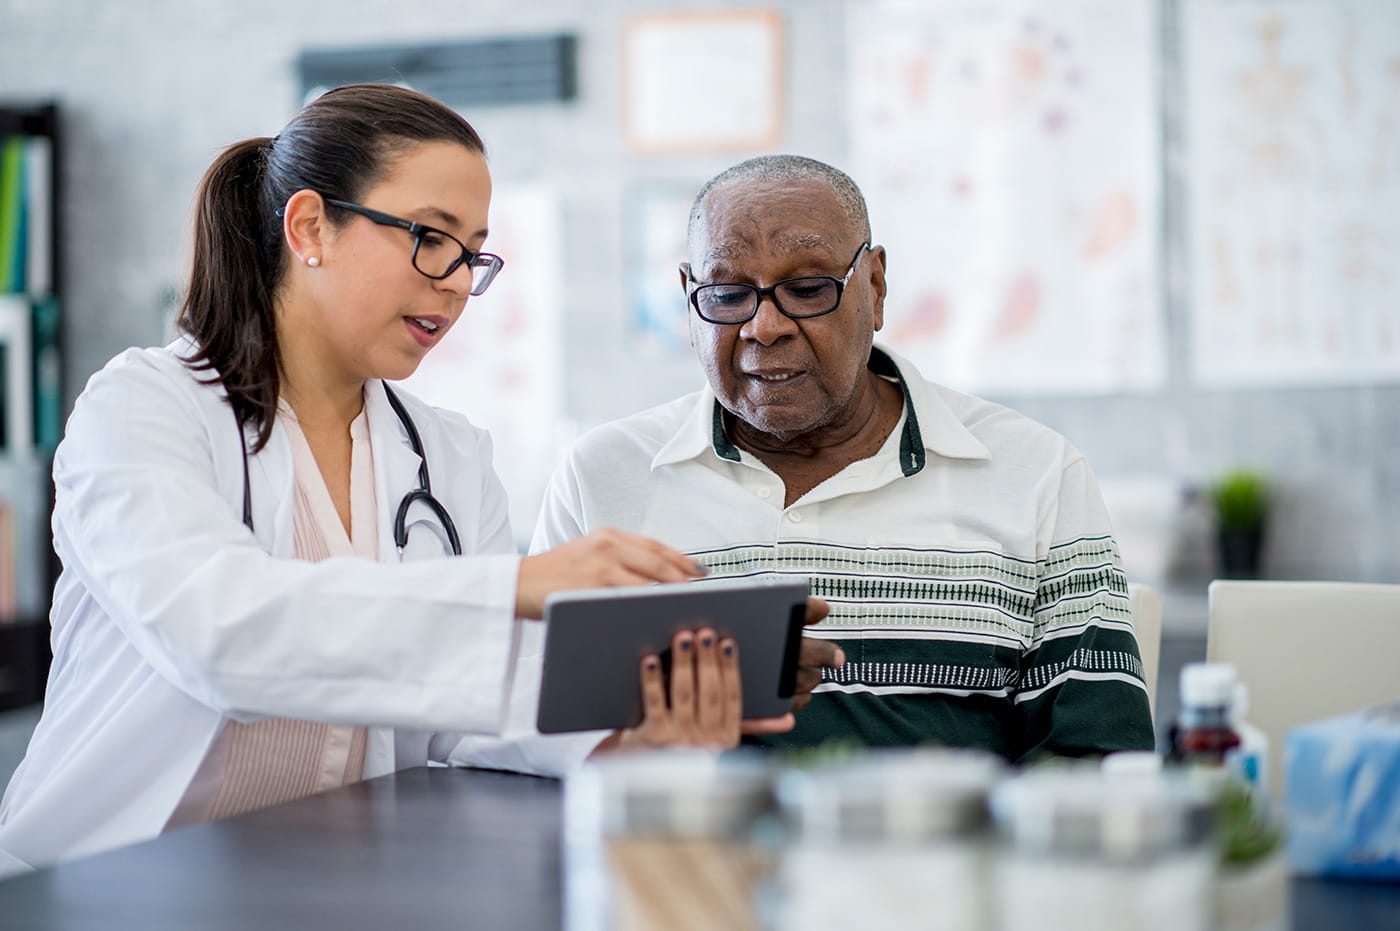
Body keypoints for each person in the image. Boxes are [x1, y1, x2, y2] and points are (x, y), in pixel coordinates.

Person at [0, 87, 824, 877]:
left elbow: (472, 708)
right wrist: (513, 587)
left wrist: (630, 731)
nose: (459, 281)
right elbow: (220, 634)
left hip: (328, 879)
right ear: (311, 225)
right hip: (104, 880)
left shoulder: (448, 453)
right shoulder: (144, 407)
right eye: (430, 238)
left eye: (472, 253)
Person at [531, 155, 1156, 762]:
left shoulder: (1035, 472)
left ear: (876, 287)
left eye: (806, 289)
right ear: (689, 298)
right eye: (726, 294)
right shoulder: (602, 476)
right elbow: (526, 737)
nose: (763, 326)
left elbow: (1096, 761)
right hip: (680, 861)